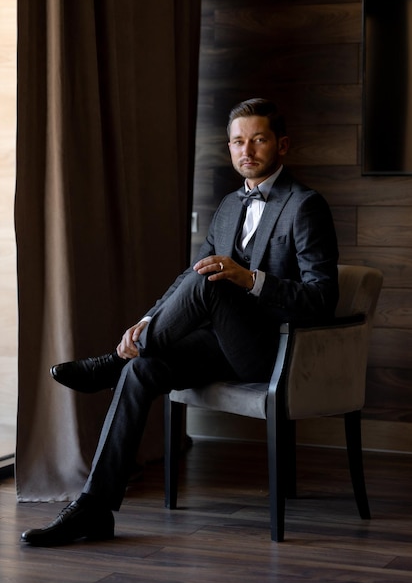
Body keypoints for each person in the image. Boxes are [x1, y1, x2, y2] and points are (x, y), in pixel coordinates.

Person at [21, 98, 339, 546]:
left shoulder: (306, 205)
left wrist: (249, 279)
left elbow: (323, 299)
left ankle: (109, 365)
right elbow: (187, 277)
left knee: (212, 280)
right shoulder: (230, 204)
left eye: (259, 139)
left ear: (282, 145)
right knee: (142, 367)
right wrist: (147, 318)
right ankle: (94, 507)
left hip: (270, 352)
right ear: (229, 148)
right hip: (217, 344)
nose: (247, 150)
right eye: (237, 141)